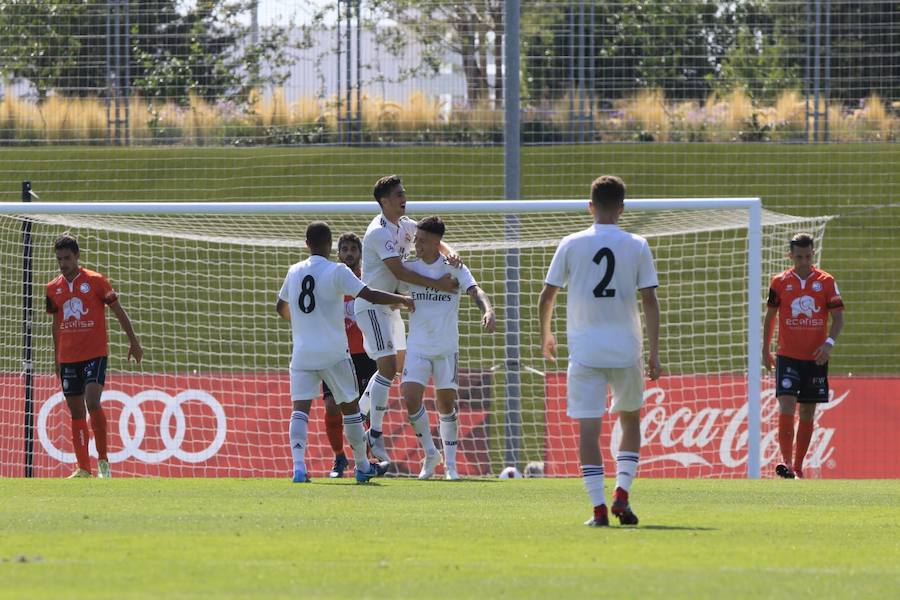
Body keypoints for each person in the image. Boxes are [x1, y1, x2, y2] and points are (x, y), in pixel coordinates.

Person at [538, 175, 661, 527]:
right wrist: (654, 351)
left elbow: (547, 296)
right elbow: (650, 300)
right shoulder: (637, 244)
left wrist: (546, 335)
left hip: (586, 351)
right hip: (626, 350)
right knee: (630, 420)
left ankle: (598, 509)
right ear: (622, 209)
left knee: (589, 431)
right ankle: (622, 493)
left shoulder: (571, 243)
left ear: (589, 206)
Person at [276, 221, 414, 484]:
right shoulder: (337, 271)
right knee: (350, 410)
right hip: (335, 354)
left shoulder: (293, 271)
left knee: (300, 410)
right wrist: (402, 299)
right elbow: (369, 294)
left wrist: (305, 324)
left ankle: (299, 469)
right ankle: (362, 467)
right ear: (330, 246)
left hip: (303, 353)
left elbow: (280, 307)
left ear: (307, 244)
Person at [355, 175, 461, 464]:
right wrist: (438, 285)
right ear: (384, 201)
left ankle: (362, 409)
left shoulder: (405, 225)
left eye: (404, 193)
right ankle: (374, 432)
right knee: (387, 366)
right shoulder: (378, 232)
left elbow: (434, 240)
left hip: (394, 306)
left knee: (396, 367)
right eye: (399, 195)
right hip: (373, 304)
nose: (405, 198)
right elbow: (400, 272)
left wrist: (452, 255)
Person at [397, 216, 496, 480]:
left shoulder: (453, 266)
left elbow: (476, 291)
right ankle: (431, 454)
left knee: (446, 405)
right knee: (410, 397)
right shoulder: (409, 266)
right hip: (417, 346)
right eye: (416, 239)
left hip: (446, 348)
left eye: (423, 241)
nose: (417, 244)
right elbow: (393, 290)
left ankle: (450, 465)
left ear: (437, 243)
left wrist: (488, 310)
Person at [45, 235, 144, 479]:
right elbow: (56, 324)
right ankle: (83, 468)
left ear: (77, 256)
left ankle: (103, 462)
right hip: (68, 357)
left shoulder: (96, 281)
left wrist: (133, 341)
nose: (63, 263)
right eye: (59, 259)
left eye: (67, 258)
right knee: (76, 411)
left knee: (92, 401)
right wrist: (57, 358)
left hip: (95, 353)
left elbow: (118, 311)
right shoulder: (52, 288)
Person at [763, 233, 844, 480]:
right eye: (799, 257)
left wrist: (828, 344)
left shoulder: (826, 282)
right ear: (791, 255)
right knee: (786, 405)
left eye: (808, 256)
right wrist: (765, 349)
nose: (804, 261)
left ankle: (798, 467)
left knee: (807, 412)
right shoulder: (779, 282)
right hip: (787, 356)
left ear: (812, 254)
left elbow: (838, 318)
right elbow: (771, 316)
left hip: (815, 358)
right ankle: (786, 464)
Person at [321, 232, 378, 478]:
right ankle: (339, 458)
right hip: (336, 354)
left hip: (364, 355)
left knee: (362, 410)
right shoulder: (331, 280)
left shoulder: (368, 282)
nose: (349, 253)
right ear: (338, 253)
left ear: (360, 253)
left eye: (353, 249)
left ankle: (365, 461)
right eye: (344, 249)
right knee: (332, 407)